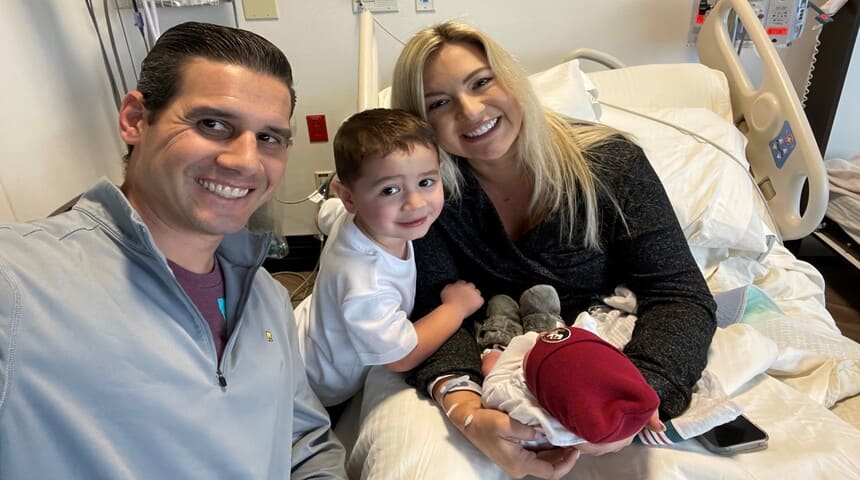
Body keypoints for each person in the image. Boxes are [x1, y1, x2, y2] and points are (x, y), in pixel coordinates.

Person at [0, 22, 346, 478]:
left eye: (268, 138)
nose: (245, 161)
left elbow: (303, 442)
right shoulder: (19, 284)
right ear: (135, 120)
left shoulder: (266, 298)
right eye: (212, 124)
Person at [389, 21, 717, 479]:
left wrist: (638, 393)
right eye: (439, 103)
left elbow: (678, 294)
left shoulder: (612, 166)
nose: (470, 110)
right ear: (421, 125)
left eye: (481, 82)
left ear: (511, 79)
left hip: (605, 360)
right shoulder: (428, 198)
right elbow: (431, 310)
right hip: (493, 360)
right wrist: (466, 409)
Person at [295, 108, 484, 407]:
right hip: (320, 381)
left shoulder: (354, 216)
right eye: (390, 190)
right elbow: (401, 356)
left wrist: (322, 216)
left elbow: (326, 214)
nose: (415, 203)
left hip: (307, 330)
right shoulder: (366, 283)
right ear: (349, 197)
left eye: (426, 182)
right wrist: (455, 308)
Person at [478, 286, 659, 448]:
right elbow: (590, 340)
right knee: (558, 339)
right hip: (559, 361)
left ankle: (500, 341)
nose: (538, 340)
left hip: (511, 368)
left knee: (492, 365)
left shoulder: (528, 408)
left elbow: (493, 391)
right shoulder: (583, 410)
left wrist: (525, 342)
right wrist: (573, 334)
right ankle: (549, 327)